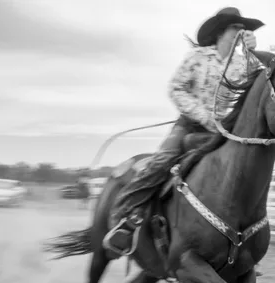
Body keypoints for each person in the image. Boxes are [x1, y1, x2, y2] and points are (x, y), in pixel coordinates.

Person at [103, 7, 265, 255]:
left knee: (239, 170)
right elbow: (176, 89)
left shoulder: (243, 63)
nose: (242, 33)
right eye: (237, 28)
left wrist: (253, 51)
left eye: (244, 30)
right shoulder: (197, 57)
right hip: (188, 125)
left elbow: (261, 84)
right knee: (162, 161)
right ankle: (127, 218)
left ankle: (237, 241)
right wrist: (203, 115)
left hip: (223, 131)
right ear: (222, 30)